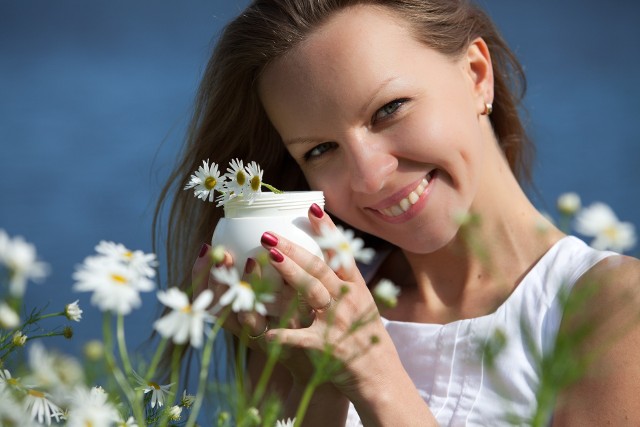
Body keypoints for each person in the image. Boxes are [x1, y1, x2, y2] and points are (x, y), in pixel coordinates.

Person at [155, 0, 640, 425]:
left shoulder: (614, 309)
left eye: (389, 109)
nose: (369, 177)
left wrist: (374, 375)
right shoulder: (309, 315)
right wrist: (317, 386)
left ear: (476, 75)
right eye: (321, 149)